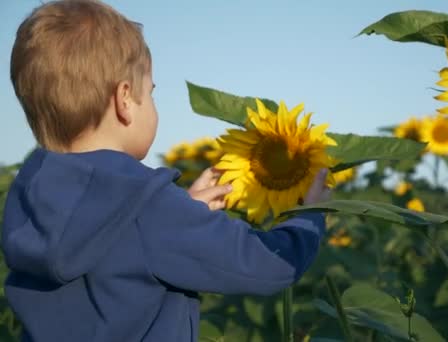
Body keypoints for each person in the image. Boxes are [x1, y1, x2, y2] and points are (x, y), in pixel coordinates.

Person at [1, 1, 330, 341]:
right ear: (124, 100)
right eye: (152, 92)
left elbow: (115, 243)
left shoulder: (28, 197)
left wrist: (182, 211)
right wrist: (309, 215)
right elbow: (267, 265)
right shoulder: (149, 211)